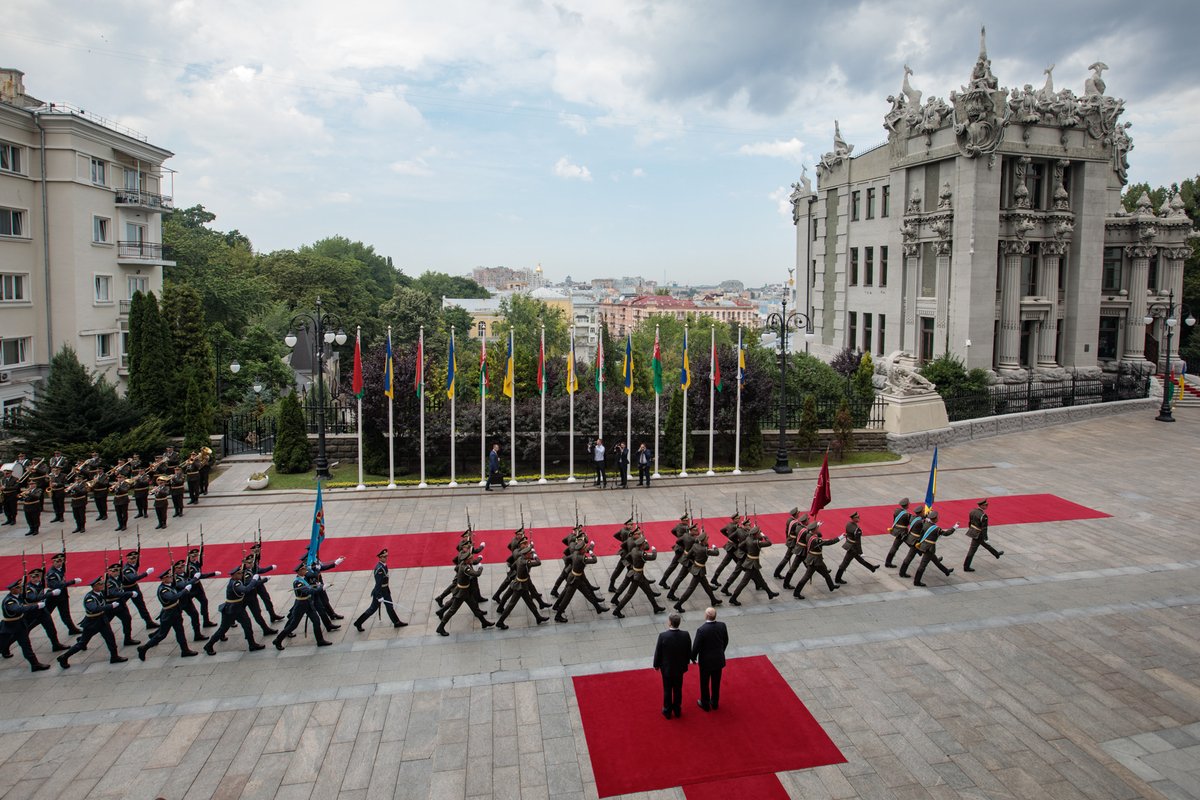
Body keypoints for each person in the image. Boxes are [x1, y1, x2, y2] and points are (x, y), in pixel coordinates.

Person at [56, 574, 128, 669]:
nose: (103, 585)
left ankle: (114, 656)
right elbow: (94, 608)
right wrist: (110, 606)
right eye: (100, 584)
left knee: (110, 638)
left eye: (103, 583)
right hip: (92, 622)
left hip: (102, 620)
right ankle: (64, 657)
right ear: (94, 586)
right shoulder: (90, 598)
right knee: (82, 643)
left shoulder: (101, 593)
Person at [273, 564, 333, 650]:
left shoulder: (303, 579)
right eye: (304, 569)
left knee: (316, 621)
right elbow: (308, 591)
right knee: (293, 625)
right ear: (299, 571)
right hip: (301, 604)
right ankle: (278, 640)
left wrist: (318, 585)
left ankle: (320, 640)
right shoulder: (298, 583)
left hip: (308, 603)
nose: (306, 570)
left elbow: (311, 586)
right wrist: (322, 588)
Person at [354, 549, 407, 631]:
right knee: (372, 609)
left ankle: (396, 622)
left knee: (390, 607)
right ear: (380, 557)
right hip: (380, 592)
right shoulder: (379, 569)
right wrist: (379, 596)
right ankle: (358, 623)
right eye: (384, 557)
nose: (386, 558)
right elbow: (378, 584)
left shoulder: (383, 565)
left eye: (387, 556)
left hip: (385, 591)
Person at [652, 612, 691, 719]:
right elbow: (688, 650)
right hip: (679, 668)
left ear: (669, 623)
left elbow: (658, 652)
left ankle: (667, 710)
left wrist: (656, 665)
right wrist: (686, 662)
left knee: (667, 689)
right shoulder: (685, 635)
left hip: (667, 668)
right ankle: (677, 709)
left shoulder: (663, 636)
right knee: (678, 689)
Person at [691, 607, 728, 711]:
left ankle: (705, 703)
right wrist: (721, 651)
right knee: (716, 682)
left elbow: (696, 646)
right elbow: (726, 640)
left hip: (705, 662)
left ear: (706, 616)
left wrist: (693, 657)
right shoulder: (722, 626)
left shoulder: (702, 630)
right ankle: (715, 702)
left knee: (704, 683)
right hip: (718, 659)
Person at [835, 511, 880, 584]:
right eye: (857, 517)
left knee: (860, 560)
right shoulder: (857, 529)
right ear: (854, 518)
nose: (859, 518)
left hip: (849, 545)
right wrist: (860, 552)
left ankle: (872, 568)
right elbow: (858, 542)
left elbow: (848, 535)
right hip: (853, 549)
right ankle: (837, 579)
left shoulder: (848, 524)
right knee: (845, 563)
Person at [963, 499, 1004, 571]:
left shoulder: (972, 511)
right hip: (979, 534)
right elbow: (984, 528)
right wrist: (986, 538)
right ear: (982, 506)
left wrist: (971, 530)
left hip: (973, 532)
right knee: (972, 550)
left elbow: (970, 522)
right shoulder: (983, 515)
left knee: (985, 545)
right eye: (986, 505)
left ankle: (996, 554)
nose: (987, 506)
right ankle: (966, 567)